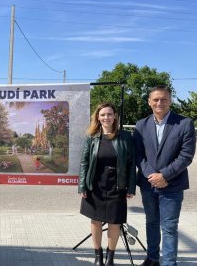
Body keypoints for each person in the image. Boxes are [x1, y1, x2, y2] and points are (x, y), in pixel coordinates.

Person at [134, 85, 196, 266]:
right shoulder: (141, 125)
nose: (159, 103)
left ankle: (169, 262)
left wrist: (164, 176)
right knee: (151, 223)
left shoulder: (184, 123)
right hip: (148, 184)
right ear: (149, 102)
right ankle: (152, 258)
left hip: (172, 186)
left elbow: (186, 156)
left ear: (170, 100)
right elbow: (138, 154)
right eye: (155, 99)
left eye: (163, 99)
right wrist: (150, 174)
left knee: (169, 227)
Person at [78, 102, 136, 266]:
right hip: (95, 185)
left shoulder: (125, 136)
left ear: (115, 116)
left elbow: (132, 163)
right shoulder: (92, 136)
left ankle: (110, 259)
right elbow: (84, 162)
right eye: (102, 114)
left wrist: (131, 187)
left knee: (114, 221)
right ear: (98, 117)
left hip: (117, 185)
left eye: (109, 114)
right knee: (95, 221)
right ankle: (98, 257)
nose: (106, 117)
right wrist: (82, 185)